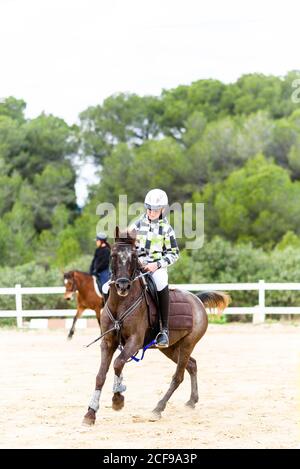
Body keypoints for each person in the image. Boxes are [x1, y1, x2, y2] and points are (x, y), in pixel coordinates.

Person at [129, 188, 179, 348]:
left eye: (155, 210)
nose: (151, 212)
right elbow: (127, 247)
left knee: (161, 283)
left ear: (162, 209)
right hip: (137, 267)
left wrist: (156, 265)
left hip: (156, 268)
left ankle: (163, 330)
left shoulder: (167, 229)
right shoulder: (136, 225)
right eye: (149, 208)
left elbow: (174, 253)